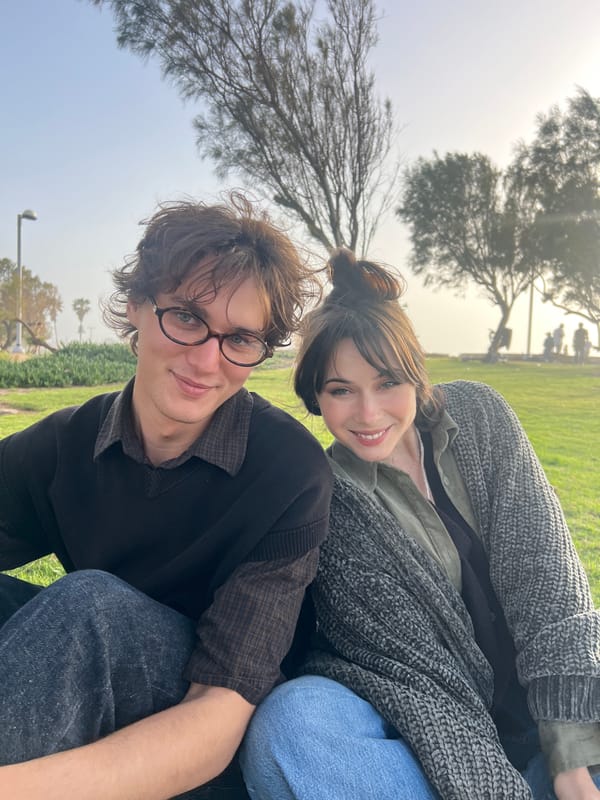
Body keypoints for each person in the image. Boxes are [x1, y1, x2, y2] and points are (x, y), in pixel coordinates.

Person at [0, 195, 333, 800]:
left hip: (206, 738)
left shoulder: (289, 475)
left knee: (89, 608)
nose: (207, 361)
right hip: (82, 690)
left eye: (240, 339)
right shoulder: (67, 443)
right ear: (136, 305)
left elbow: (216, 718)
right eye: (186, 318)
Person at [240, 248, 600, 800]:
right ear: (315, 395)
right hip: (440, 761)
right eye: (341, 390)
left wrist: (572, 760)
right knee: (293, 723)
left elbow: (548, 585)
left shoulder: (480, 419)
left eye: (387, 383)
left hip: (569, 724)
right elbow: (424, 685)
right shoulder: (326, 503)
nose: (368, 414)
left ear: (416, 374)